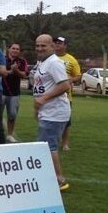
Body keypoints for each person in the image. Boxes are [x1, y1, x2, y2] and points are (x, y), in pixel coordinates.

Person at [33, 34, 71, 192]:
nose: (40, 49)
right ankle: (50, 176)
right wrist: (38, 107)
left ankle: (59, 180)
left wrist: (44, 99)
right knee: (47, 146)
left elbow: (64, 85)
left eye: (44, 46)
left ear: (51, 46)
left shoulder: (54, 62)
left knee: (48, 147)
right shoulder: (43, 62)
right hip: (47, 112)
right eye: (37, 46)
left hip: (55, 112)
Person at [54, 36, 81, 151]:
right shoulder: (49, 58)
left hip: (65, 96)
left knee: (66, 122)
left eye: (60, 43)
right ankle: (52, 141)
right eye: (56, 43)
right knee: (50, 120)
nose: (57, 45)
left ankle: (65, 143)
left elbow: (78, 76)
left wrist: (71, 80)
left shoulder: (71, 60)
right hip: (50, 95)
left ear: (65, 46)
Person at [2, 43, 29, 143]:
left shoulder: (22, 61)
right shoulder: (2, 59)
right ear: (9, 49)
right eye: (13, 48)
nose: (15, 50)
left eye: (17, 49)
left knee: (12, 115)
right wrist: (10, 71)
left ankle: (9, 135)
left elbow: (24, 75)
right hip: (0, 91)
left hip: (14, 93)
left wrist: (16, 70)